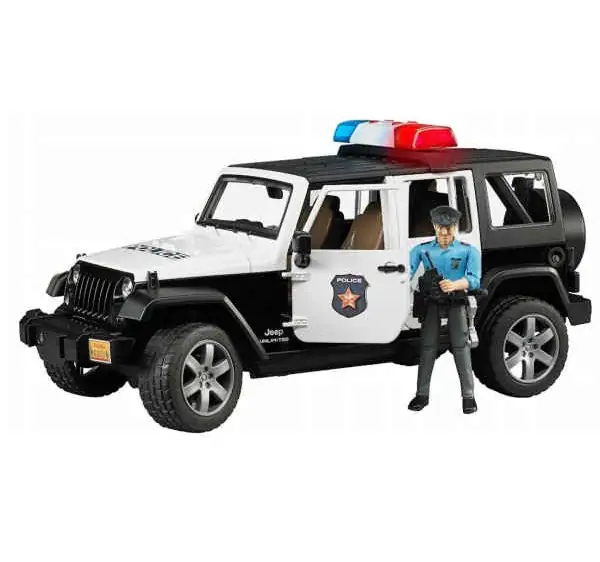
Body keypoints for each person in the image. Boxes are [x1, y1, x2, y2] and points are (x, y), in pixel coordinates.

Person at [407, 205, 482, 414]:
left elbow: (475, 280)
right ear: (434, 226)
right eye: (440, 227)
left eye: (449, 227)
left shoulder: (468, 251)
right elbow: (406, 272)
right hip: (431, 303)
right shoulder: (422, 250)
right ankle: (422, 394)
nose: (444, 232)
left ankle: (469, 396)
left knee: (461, 347)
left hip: (456, 301)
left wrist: (455, 285)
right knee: (427, 347)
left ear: (455, 226)